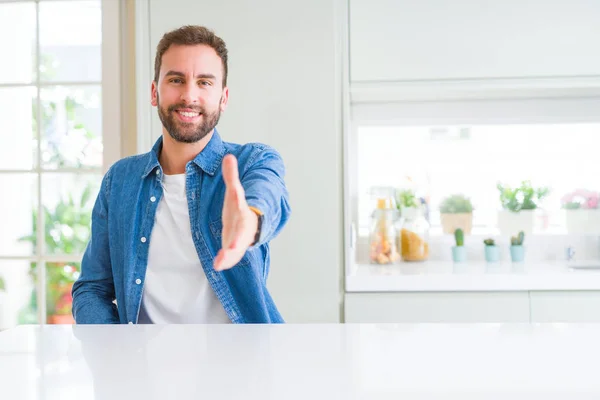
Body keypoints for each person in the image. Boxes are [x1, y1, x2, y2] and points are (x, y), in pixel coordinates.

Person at [71, 25, 291, 324]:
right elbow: (93, 288)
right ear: (154, 91)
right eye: (176, 80)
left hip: (241, 366)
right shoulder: (120, 180)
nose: (189, 95)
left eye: (204, 82)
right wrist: (114, 354)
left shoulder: (252, 161)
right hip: (143, 368)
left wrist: (249, 221)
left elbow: (268, 196)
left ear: (223, 98)